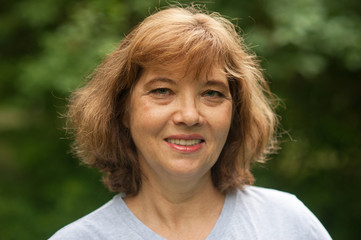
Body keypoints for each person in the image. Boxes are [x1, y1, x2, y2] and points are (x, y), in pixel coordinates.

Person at [49, 5, 332, 240]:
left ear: (236, 113)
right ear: (122, 110)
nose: (189, 116)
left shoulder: (287, 225)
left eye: (211, 93)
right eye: (162, 91)